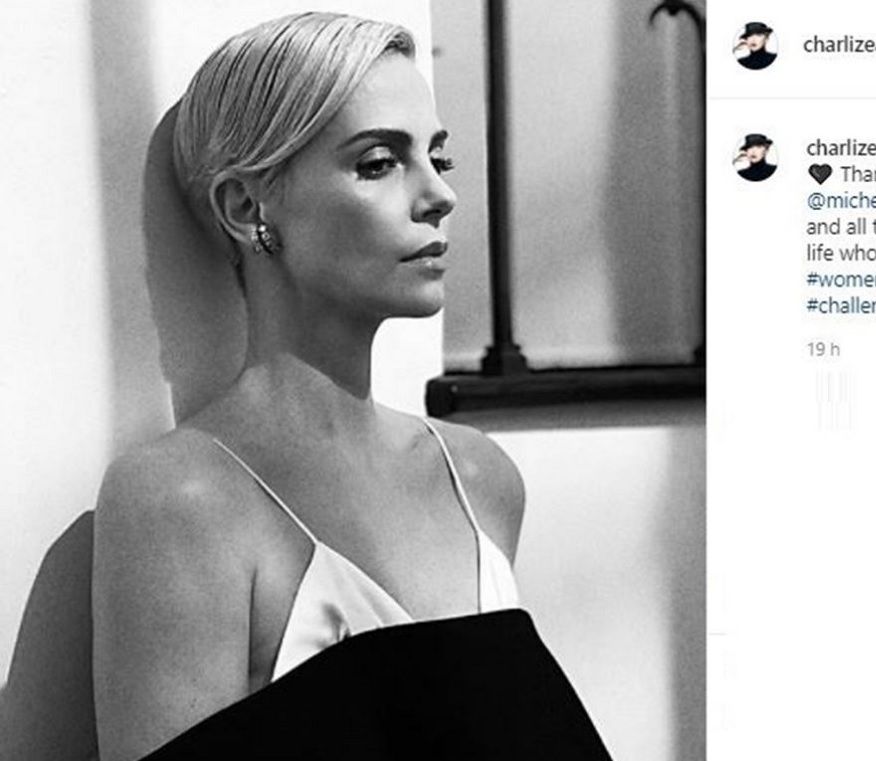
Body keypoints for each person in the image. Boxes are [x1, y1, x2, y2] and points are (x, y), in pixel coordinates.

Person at [92, 13, 608, 760]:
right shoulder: (182, 501)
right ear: (247, 208)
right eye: (378, 162)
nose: (440, 195)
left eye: (438, 157)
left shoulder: (478, 478)